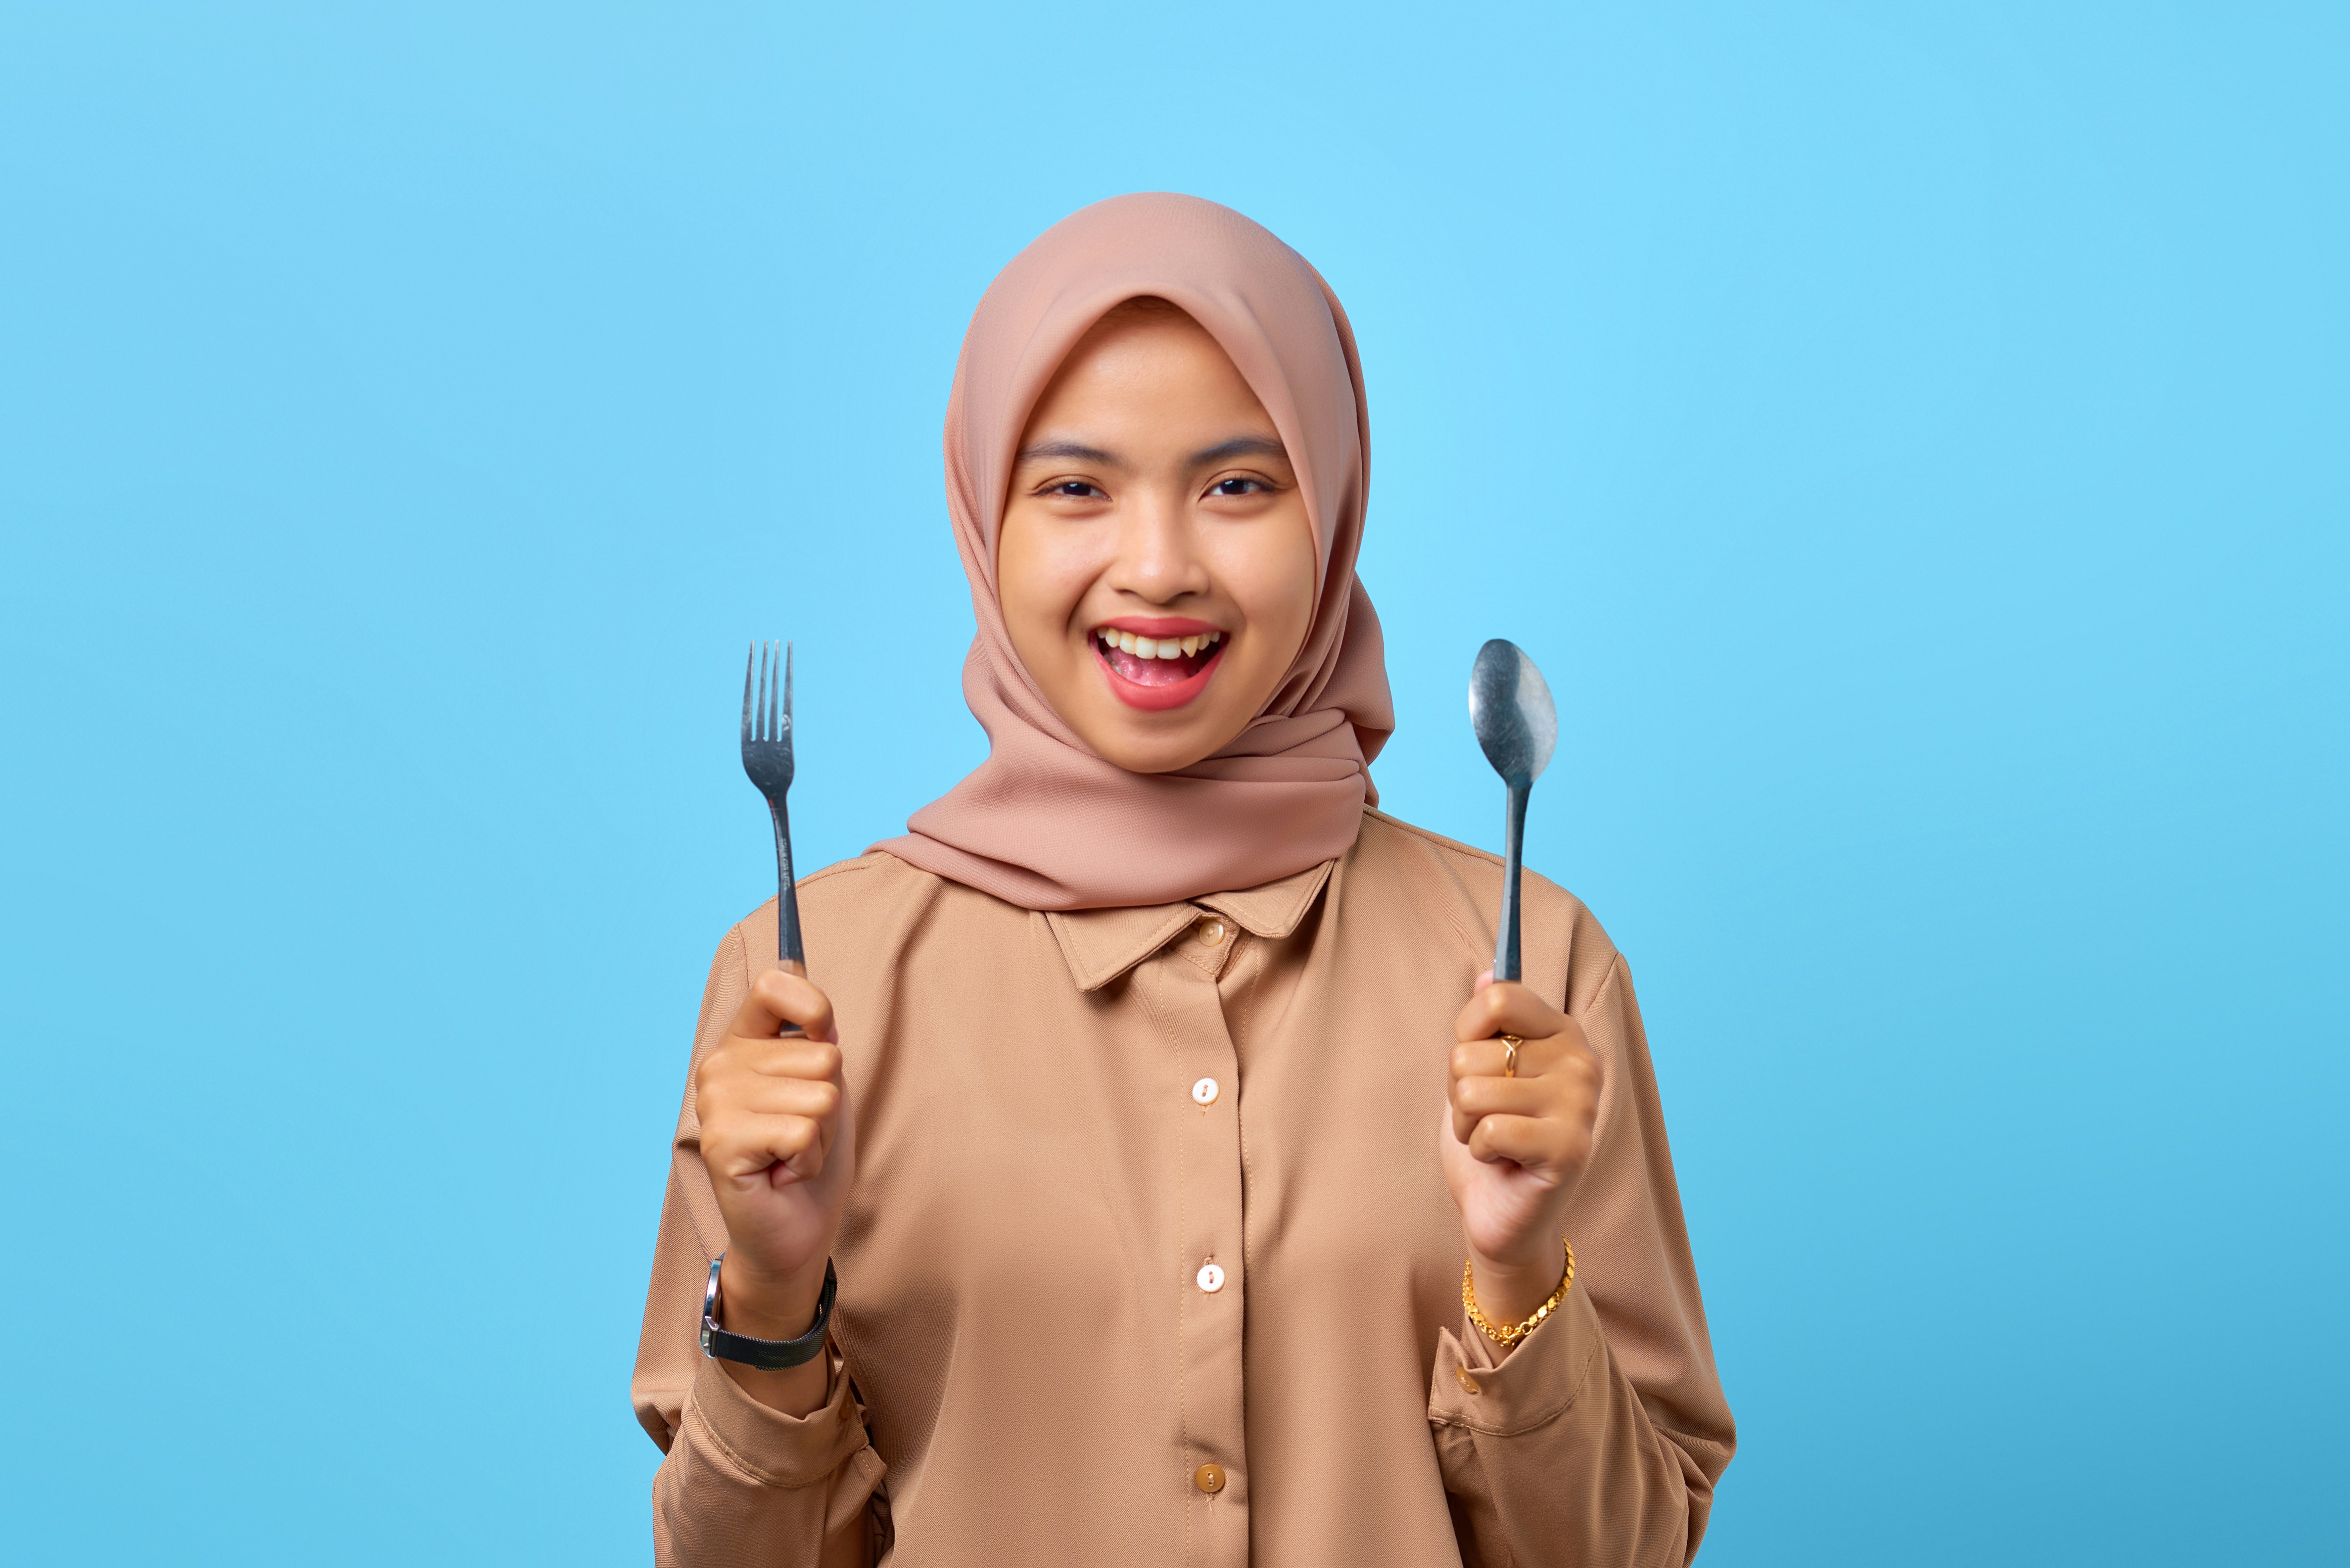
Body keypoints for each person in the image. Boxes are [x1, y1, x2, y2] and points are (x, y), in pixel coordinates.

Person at [631, 193, 1735, 1566]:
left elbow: (1622, 1554)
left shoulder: (1531, 971)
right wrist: (775, 1294)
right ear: (985, 514)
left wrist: (1516, 1278)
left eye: (1237, 485)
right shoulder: (803, 983)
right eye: (1076, 486)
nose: (1157, 568)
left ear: (1331, 510)